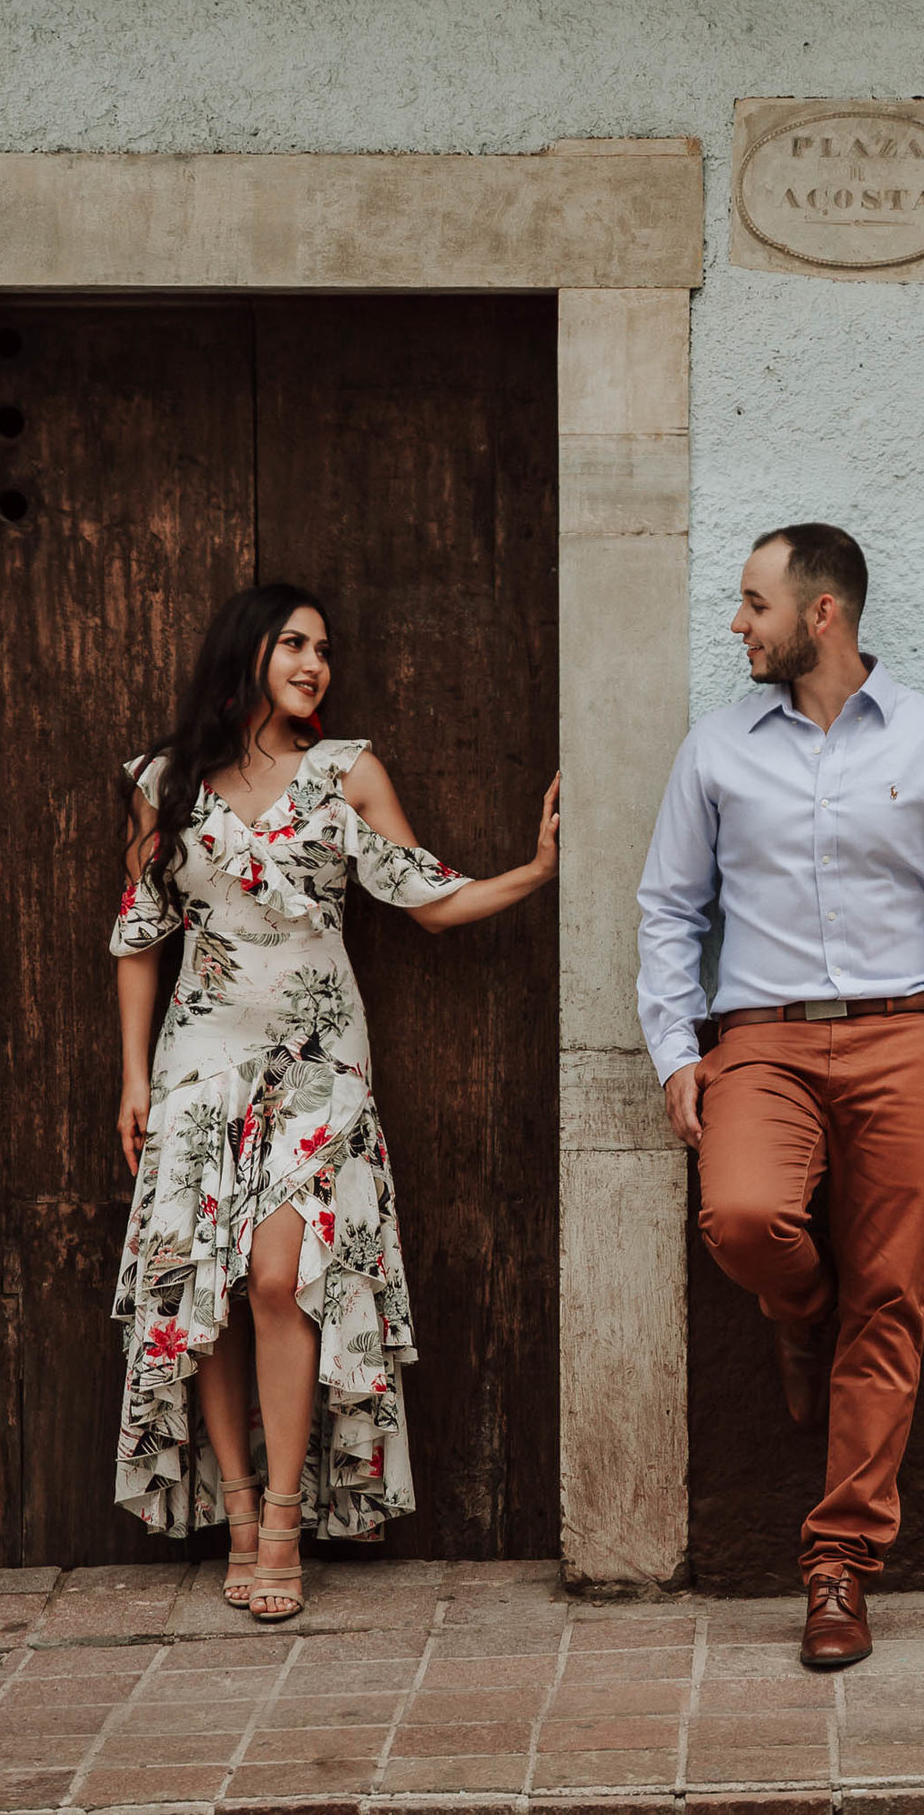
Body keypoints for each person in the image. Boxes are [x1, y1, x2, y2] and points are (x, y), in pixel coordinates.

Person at [109, 581, 558, 1621]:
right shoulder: (163, 780)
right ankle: (231, 1508)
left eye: (324, 649)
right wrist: (134, 1076)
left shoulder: (346, 769)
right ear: (248, 650)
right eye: (295, 642)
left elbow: (428, 898)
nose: (315, 662)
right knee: (200, 1290)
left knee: (278, 1275)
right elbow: (139, 933)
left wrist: (536, 870)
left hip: (320, 1060)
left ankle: (281, 1519)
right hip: (199, 1059)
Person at [636, 525, 924, 1670]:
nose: (736, 624)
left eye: (752, 603)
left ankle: (838, 1563)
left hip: (906, 1034)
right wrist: (675, 1049)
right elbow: (669, 909)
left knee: (893, 1297)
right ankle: (798, 1311)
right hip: (757, 1041)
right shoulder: (715, 749)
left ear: (821, 614)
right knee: (744, 1220)